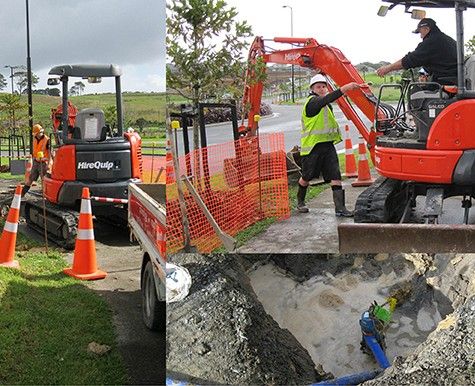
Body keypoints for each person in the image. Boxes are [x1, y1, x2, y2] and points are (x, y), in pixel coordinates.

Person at [297, 74, 365, 216]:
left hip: (327, 146)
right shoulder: (313, 102)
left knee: (335, 175)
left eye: (323, 86)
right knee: (307, 176)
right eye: (318, 87)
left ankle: (340, 209)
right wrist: (343, 89)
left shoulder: (326, 105)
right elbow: (326, 99)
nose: (321, 89)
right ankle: (300, 202)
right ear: (312, 89)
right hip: (312, 147)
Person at [376, 18, 457, 85]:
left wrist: (388, 68)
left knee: (415, 92)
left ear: (426, 29)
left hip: (443, 83)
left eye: (420, 32)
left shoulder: (432, 41)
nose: (421, 36)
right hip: (453, 80)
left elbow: (410, 60)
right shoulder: (448, 40)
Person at [22, 124, 51, 196]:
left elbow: (50, 153)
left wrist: (48, 163)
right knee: (31, 178)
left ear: (40, 132)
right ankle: (22, 193)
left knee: (43, 180)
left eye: (37, 133)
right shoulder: (34, 139)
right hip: (36, 161)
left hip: (44, 162)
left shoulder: (47, 140)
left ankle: (46, 195)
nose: (36, 135)